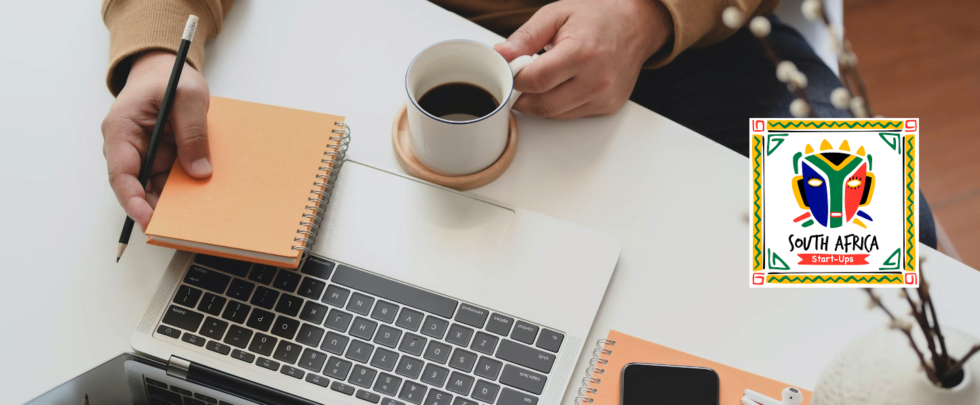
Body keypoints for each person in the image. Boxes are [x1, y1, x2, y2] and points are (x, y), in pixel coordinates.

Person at [100, 0, 937, 248]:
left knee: (883, 250)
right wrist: (155, 53)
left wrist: (647, 15)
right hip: (389, 33)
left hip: (698, 49)